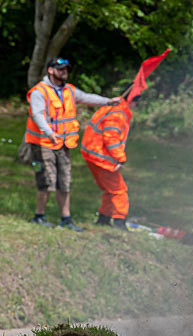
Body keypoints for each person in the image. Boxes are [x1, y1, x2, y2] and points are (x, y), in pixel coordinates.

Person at [25, 57, 121, 231]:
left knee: (65, 181)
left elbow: (86, 97)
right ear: (51, 70)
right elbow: (37, 115)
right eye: (61, 69)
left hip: (63, 143)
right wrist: (49, 132)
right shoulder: (40, 91)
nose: (64, 72)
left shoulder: (69, 90)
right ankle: (39, 216)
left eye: (66, 69)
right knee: (47, 180)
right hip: (43, 143)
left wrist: (108, 101)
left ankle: (66, 219)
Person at [80, 96, 135, 230]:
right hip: (102, 159)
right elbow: (111, 138)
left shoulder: (110, 106)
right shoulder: (119, 114)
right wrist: (121, 158)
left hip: (92, 155)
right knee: (119, 191)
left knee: (109, 190)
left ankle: (103, 219)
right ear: (132, 101)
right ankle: (119, 222)